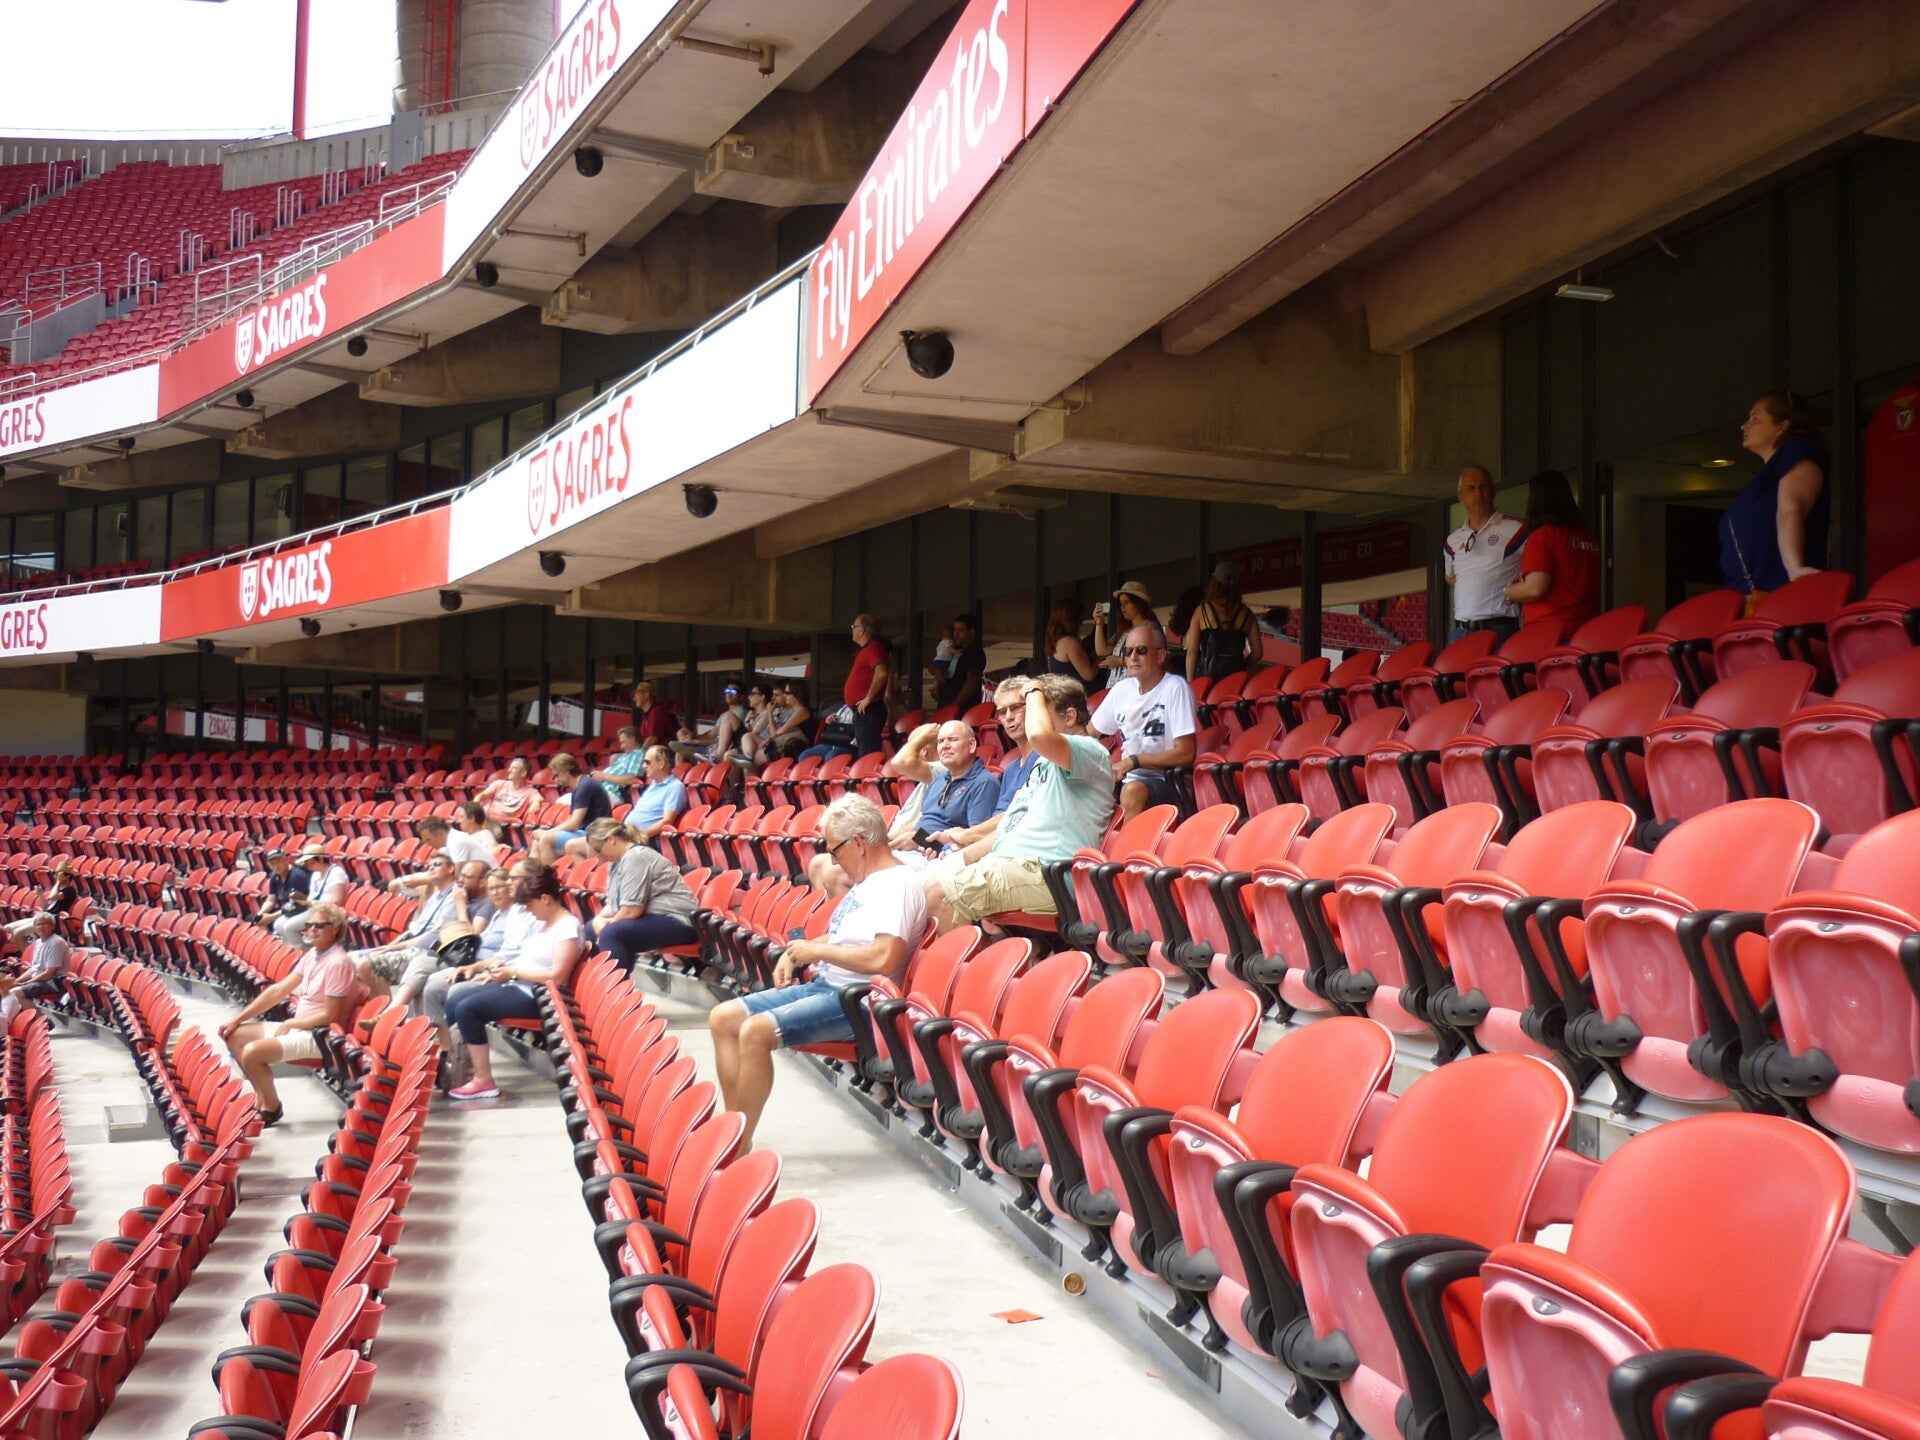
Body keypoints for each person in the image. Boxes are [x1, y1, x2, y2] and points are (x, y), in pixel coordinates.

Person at [709, 794, 925, 1152]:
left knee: (755, 1032)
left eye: (835, 850)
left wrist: (817, 952)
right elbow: (845, 938)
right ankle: (735, 1126)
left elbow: (883, 958)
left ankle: (738, 1145)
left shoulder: (896, 884)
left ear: (859, 842)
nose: (834, 861)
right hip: (828, 985)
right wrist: (797, 953)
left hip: (856, 1000)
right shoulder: (871, 880)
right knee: (723, 1017)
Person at [923, 673, 1113, 931]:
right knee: (925, 885)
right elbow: (1009, 825)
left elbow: (1039, 737)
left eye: (1037, 714)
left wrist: (1034, 690)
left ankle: (965, 957)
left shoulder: (1091, 750)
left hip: (1048, 873)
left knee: (938, 893)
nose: (1027, 721)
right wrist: (959, 858)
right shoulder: (1044, 764)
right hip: (1014, 865)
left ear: (1069, 717)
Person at [444, 868, 584, 1101]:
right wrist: (500, 971)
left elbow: (558, 976)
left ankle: (483, 1080)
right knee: (457, 998)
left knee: (467, 1009)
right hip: (522, 985)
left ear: (545, 899)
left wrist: (513, 973)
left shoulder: (567, 926)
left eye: (530, 905)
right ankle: (462, 1071)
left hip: (541, 996)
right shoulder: (545, 924)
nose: (528, 910)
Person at [220, 903, 365, 1126]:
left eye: (319, 925)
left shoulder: (338, 962)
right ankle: (263, 1098)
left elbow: (331, 1017)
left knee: (251, 1053)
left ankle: (271, 1108)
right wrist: (237, 1019)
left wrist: (291, 1023)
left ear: (336, 928)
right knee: (234, 1035)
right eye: (310, 924)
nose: (312, 929)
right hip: (300, 1027)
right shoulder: (312, 955)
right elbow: (278, 990)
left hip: (320, 1036)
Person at [1723, 390, 1830, 594]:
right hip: (1749, 596)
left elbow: (1791, 508)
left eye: (1755, 418)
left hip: (1780, 593)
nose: (1744, 426)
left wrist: (1794, 568)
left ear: (1782, 425)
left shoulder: (1799, 448)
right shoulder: (1763, 480)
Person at [1093, 624, 1198, 822]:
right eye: (1128, 651)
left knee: (1132, 791)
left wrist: (1133, 761)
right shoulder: (1121, 689)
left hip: (1168, 780)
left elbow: (1186, 753)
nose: (1133, 657)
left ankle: (1125, 844)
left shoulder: (1175, 687)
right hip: (1126, 779)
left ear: (1160, 656)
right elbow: (1089, 734)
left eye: (1141, 650)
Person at [352, 851, 464, 1014]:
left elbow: (433, 933)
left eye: (437, 864)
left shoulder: (455, 895)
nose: (431, 868)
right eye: (429, 866)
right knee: (350, 959)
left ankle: (387, 1017)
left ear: (451, 869)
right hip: (409, 943)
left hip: (424, 950)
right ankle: (377, 1014)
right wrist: (391, 945)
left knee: (365, 964)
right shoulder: (435, 895)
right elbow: (415, 929)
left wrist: (396, 947)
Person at [583, 818, 700, 966]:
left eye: (598, 849)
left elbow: (631, 911)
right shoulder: (615, 863)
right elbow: (613, 904)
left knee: (611, 933)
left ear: (611, 840)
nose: (597, 855)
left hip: (678, 920)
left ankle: (614, 981)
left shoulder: (636, 856)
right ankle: (598, 978)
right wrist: (599, 920)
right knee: (590, 928)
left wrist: (607, 925)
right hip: (653, 918)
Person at [883, 720, 1000, 859]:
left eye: (952, 739)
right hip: (911, 851)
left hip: (937, 857)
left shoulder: (984, 782)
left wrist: (919, 839)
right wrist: (886, 840)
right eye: (940, 741)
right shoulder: (939, 779)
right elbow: (919, 821)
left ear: (972, 745)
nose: (945, 746)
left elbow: (975, 840)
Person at [1504, 470, 1601, 632]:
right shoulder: (1588, 538)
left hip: (1551, 632)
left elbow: (1534, 589)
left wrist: (1509, 591)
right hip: (1587, 630)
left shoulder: (1543, 536)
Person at [1444, 464, 1525, 644]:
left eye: (1483, 487)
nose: (1478, 493)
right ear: (1460, 497)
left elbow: (1537, 568)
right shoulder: (1452, 540)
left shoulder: (1517, 529)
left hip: (1499, 629)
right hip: (1460, 631)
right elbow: (1450, 577)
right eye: (1471, 488)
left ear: (1494, 491)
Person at [802, 614, 891, 761]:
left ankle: (867, 775)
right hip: (863, 710)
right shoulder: (866, 649)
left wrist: (868, 698)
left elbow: (881, 673)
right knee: (864, 750)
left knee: (867, 753)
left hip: (869, 709)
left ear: (862, 630)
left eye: (853, 627)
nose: (852, 630)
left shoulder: (873, 648)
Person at [1186, 562, 1263, 681]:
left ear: (1214, 583)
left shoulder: (1202, 610)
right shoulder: (1247, 614)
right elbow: (1258, 653)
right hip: (1234, 682)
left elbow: (1192, 652)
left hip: (1207, 681)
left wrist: (1190, 683)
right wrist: (1241, 666)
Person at [532, 752, 611, 866]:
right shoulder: (577, 787)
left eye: (557, 775)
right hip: (583, 831)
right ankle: (531, 873)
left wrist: (548, 832)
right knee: (537, 839)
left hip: (594, 834)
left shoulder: (585, 786)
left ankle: (549, 876)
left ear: (567, 771)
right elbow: (570, 820)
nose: (556, 779)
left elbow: (574, 824)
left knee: (545, 839)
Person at [612, 744, 687, 850]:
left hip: (646, 842)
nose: (643, 766)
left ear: (661, 764)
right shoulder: (654, 784)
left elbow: (667, 821)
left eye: (647, 762)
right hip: (630, 837)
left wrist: (638, 837)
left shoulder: (675, 787)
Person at [274, 842, 349, 945]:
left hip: (327, 911)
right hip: (313, 908)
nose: (307, 865)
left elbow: (337, 901)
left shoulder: (336, 873)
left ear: (320, 859)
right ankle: (291, 949)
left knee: (289, 927)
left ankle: (302, 951)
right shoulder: (315, 875)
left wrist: (311, 903)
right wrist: (302, 900)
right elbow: (311, 897)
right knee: (278, 924)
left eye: (310, 862)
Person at [1093, 582, 1161, 673]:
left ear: (1138, 604)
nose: (1122, 607)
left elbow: (1151, 660)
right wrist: (1099, 624)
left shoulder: (1150, 628)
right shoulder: (1125, 631)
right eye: (1121, 603)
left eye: (1127, 602)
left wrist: (1120, 662)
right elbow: (1102, 651)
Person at [7, 913, 69, 1008]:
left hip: (52, 983)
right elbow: (33, 968)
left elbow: (49, 973)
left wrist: (27, 983)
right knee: (6, 988)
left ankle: (38, 1016)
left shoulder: (56, 943)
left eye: (45, 924)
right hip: (39, 980)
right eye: (38, 924)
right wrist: (16, 981)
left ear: (53, 926)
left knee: (14, 993)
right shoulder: (39, 942)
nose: (41, 927)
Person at [674, 685, 747, 762]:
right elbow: (711, 735)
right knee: (682, 732)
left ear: (742, 697)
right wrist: (692, 737)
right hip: (710, 746)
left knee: (681, 751)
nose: (729, 694)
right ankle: (684, 744)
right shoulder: (724, 715)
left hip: (718, 749)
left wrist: (696, 741)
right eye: (727, 691)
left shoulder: (740, 712)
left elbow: (727, 741)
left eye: (733, 691)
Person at [932, 614, 986, 711]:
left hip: (961, 711)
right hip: (944, 705)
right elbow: (937, 662)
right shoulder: (954, 649)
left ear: (971, 632)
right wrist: (938, 673)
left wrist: (954, 706)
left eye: (960, 630)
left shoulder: (974, 652)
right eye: (955, 630)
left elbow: (972, 682)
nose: (955, 634)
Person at [474, 756, 540, 829]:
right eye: (510, 767)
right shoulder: (499, 784)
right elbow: (482, 796)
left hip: (501, 827)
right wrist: (475, 806)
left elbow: (539, 799)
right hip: (483, 820)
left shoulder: (530, 792)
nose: (509, 770)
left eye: (513, 768)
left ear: (523, 773)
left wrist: (536, 802)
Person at [589, 726, 647, 808]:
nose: (621, 747)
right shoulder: (626, 755)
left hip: (613, 792)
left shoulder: (639, 753)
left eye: (623, 742)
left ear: (632, 739)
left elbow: (631, 779)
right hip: (602, 789)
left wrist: (604, 776)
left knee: (578, 798)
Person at [255, 849, 310, 934]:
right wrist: (261, 914)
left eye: (278, 861)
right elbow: (270, 900)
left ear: (285, 859)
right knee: (261, 920)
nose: (276, 866)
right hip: (287, 909)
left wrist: (271, 917)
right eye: (272, 863)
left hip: (302, 909)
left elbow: (295, 905)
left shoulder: (297, 876)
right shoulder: (275, 876)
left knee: (278, 923)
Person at [1045, 599, 1098, 682]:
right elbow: (1088, 674)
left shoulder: (1055, 641)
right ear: (1072, 620)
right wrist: (1101, 657)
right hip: (1078, 689)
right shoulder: (1070, 642)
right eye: (1079, 618)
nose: (1081, 623)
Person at [448, 801, 502, 866]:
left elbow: (491, 849)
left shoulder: (485, 834)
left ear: (472, 818)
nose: (459, 821)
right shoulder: (464, 837)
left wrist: (496, 847)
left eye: (462, 817)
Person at [631, 680, 678, 747]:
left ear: (646, 695)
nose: (634, 699)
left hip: (662, 751)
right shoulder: (648, 714)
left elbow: (653, 738)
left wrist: (641, 751)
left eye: (637, 695)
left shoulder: (657, 711)